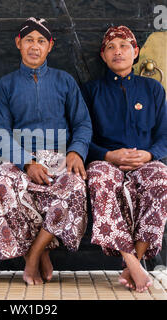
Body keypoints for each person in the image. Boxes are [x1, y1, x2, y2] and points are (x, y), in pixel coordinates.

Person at [0, 17, 92, 285]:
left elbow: (82, 123)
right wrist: (26, 162)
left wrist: (76, 152)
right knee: (1, 182)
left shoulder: (64, 81)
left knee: (76, 186)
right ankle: (40, 253)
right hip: (20, 158)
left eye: (41, 41)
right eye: (29, 40)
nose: (34, 46)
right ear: (18, 44)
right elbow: (0, 133)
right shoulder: (6, 85)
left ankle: (34, 253)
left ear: (50, 47)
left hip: (59, 157)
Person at [82, 25, 167, 293]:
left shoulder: (153, 89)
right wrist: (107, 154)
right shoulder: (91, 91)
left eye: (124, 46)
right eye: (111, 47)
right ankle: (130, 261)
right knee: (98, 180)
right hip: (106, 161)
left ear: (136, 52)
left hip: (144, 161)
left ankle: (137, 261)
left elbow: (165, 134)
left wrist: (149, 154)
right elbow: (82, 136)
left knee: (161, 179)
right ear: (103, 56)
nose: (118, 52)